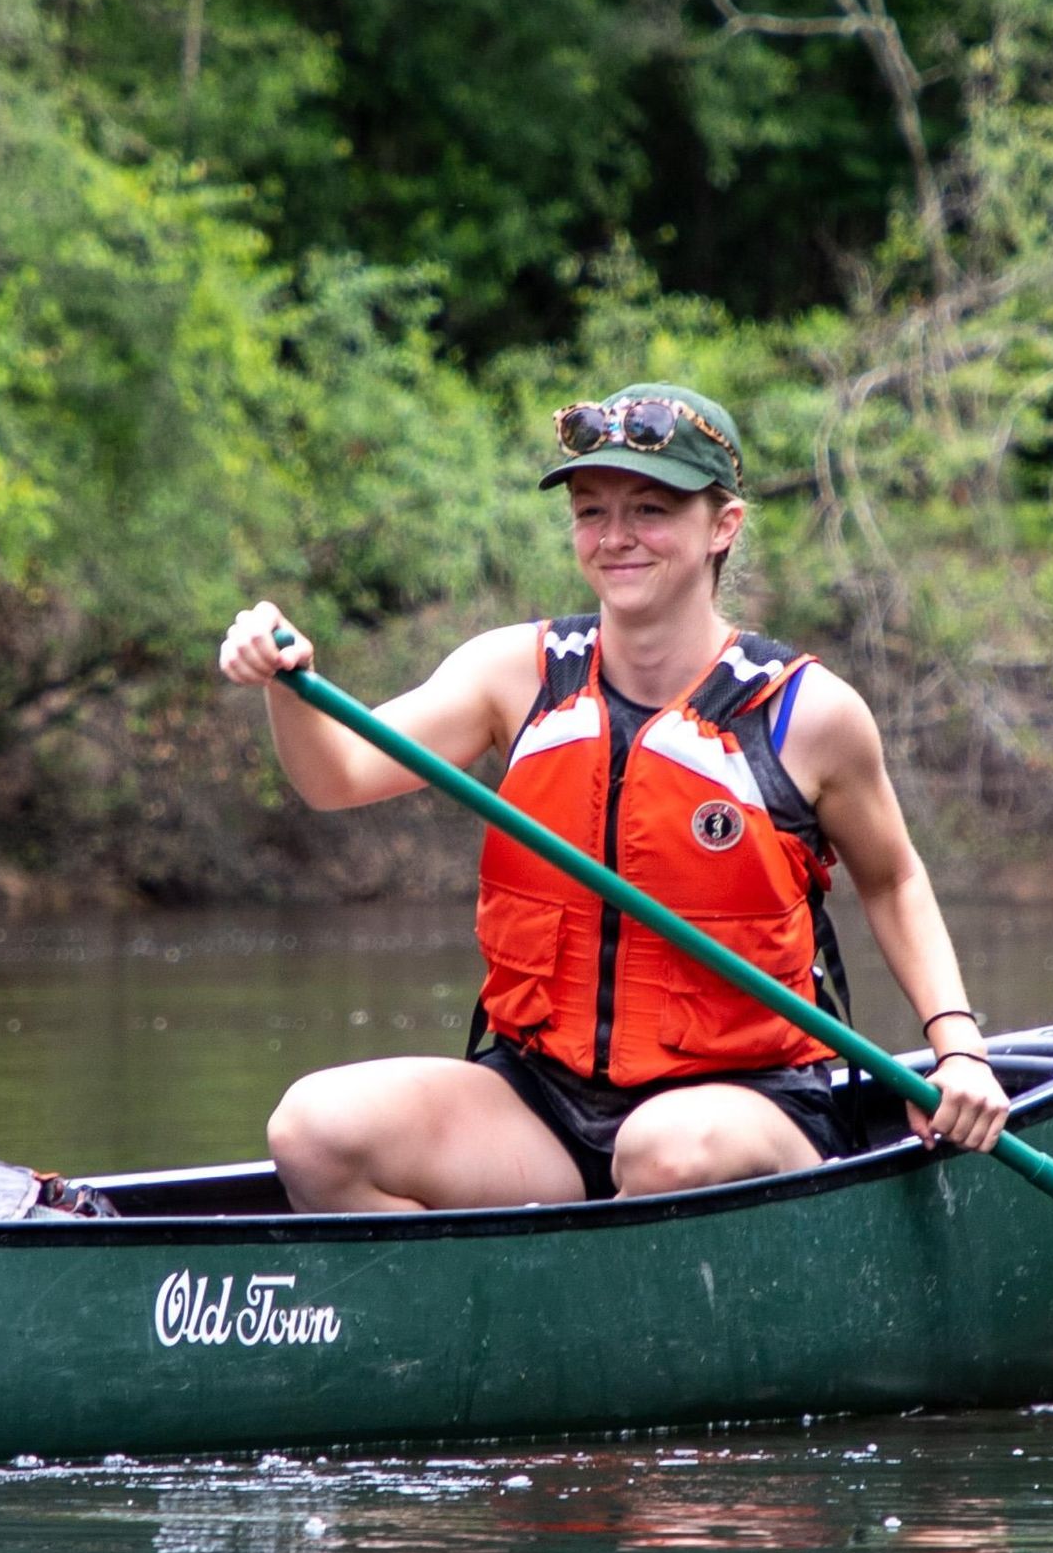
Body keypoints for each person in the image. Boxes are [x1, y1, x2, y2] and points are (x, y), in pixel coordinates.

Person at [215, 383, 1010, 1212]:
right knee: (313, 1129)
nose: (617, 537)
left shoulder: (807, 714)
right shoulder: (514, 674)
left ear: (722, 526)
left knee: (663, 1151)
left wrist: (957, 1051)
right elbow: (335, 775)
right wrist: (287, 684)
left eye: (651, 510)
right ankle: (463, 1333)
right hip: (543, 1102)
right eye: (592, 513)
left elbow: (893, 880)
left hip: (746, 1106)